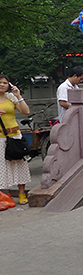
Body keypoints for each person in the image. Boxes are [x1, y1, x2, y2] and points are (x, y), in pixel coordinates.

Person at [0, 75, 31, 205]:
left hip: (14, 136)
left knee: (19, 164)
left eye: (5, 83)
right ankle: (3, 196)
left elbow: (26, 111)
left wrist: (18, 96)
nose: (2, 85)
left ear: (9, 85)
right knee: (2, 167)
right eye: (0, 82)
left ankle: (22, 193)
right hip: (0, 138)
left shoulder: (10, 97)